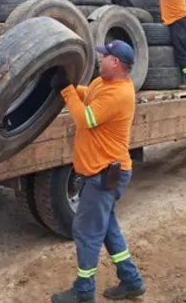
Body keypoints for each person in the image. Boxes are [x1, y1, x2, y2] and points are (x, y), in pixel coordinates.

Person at [49, 40, 146, 303]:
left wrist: (66, 92)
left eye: (104, 56)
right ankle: (132, 280)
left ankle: (83, 293)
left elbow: (86, 119)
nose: (99, 58)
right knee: (106, 229)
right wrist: (68, 88)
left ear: (115, 63)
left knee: (86, 232)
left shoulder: (120, 94)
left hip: (105, 175)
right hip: (103, 173)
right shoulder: (102, 83)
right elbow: (87, 93)